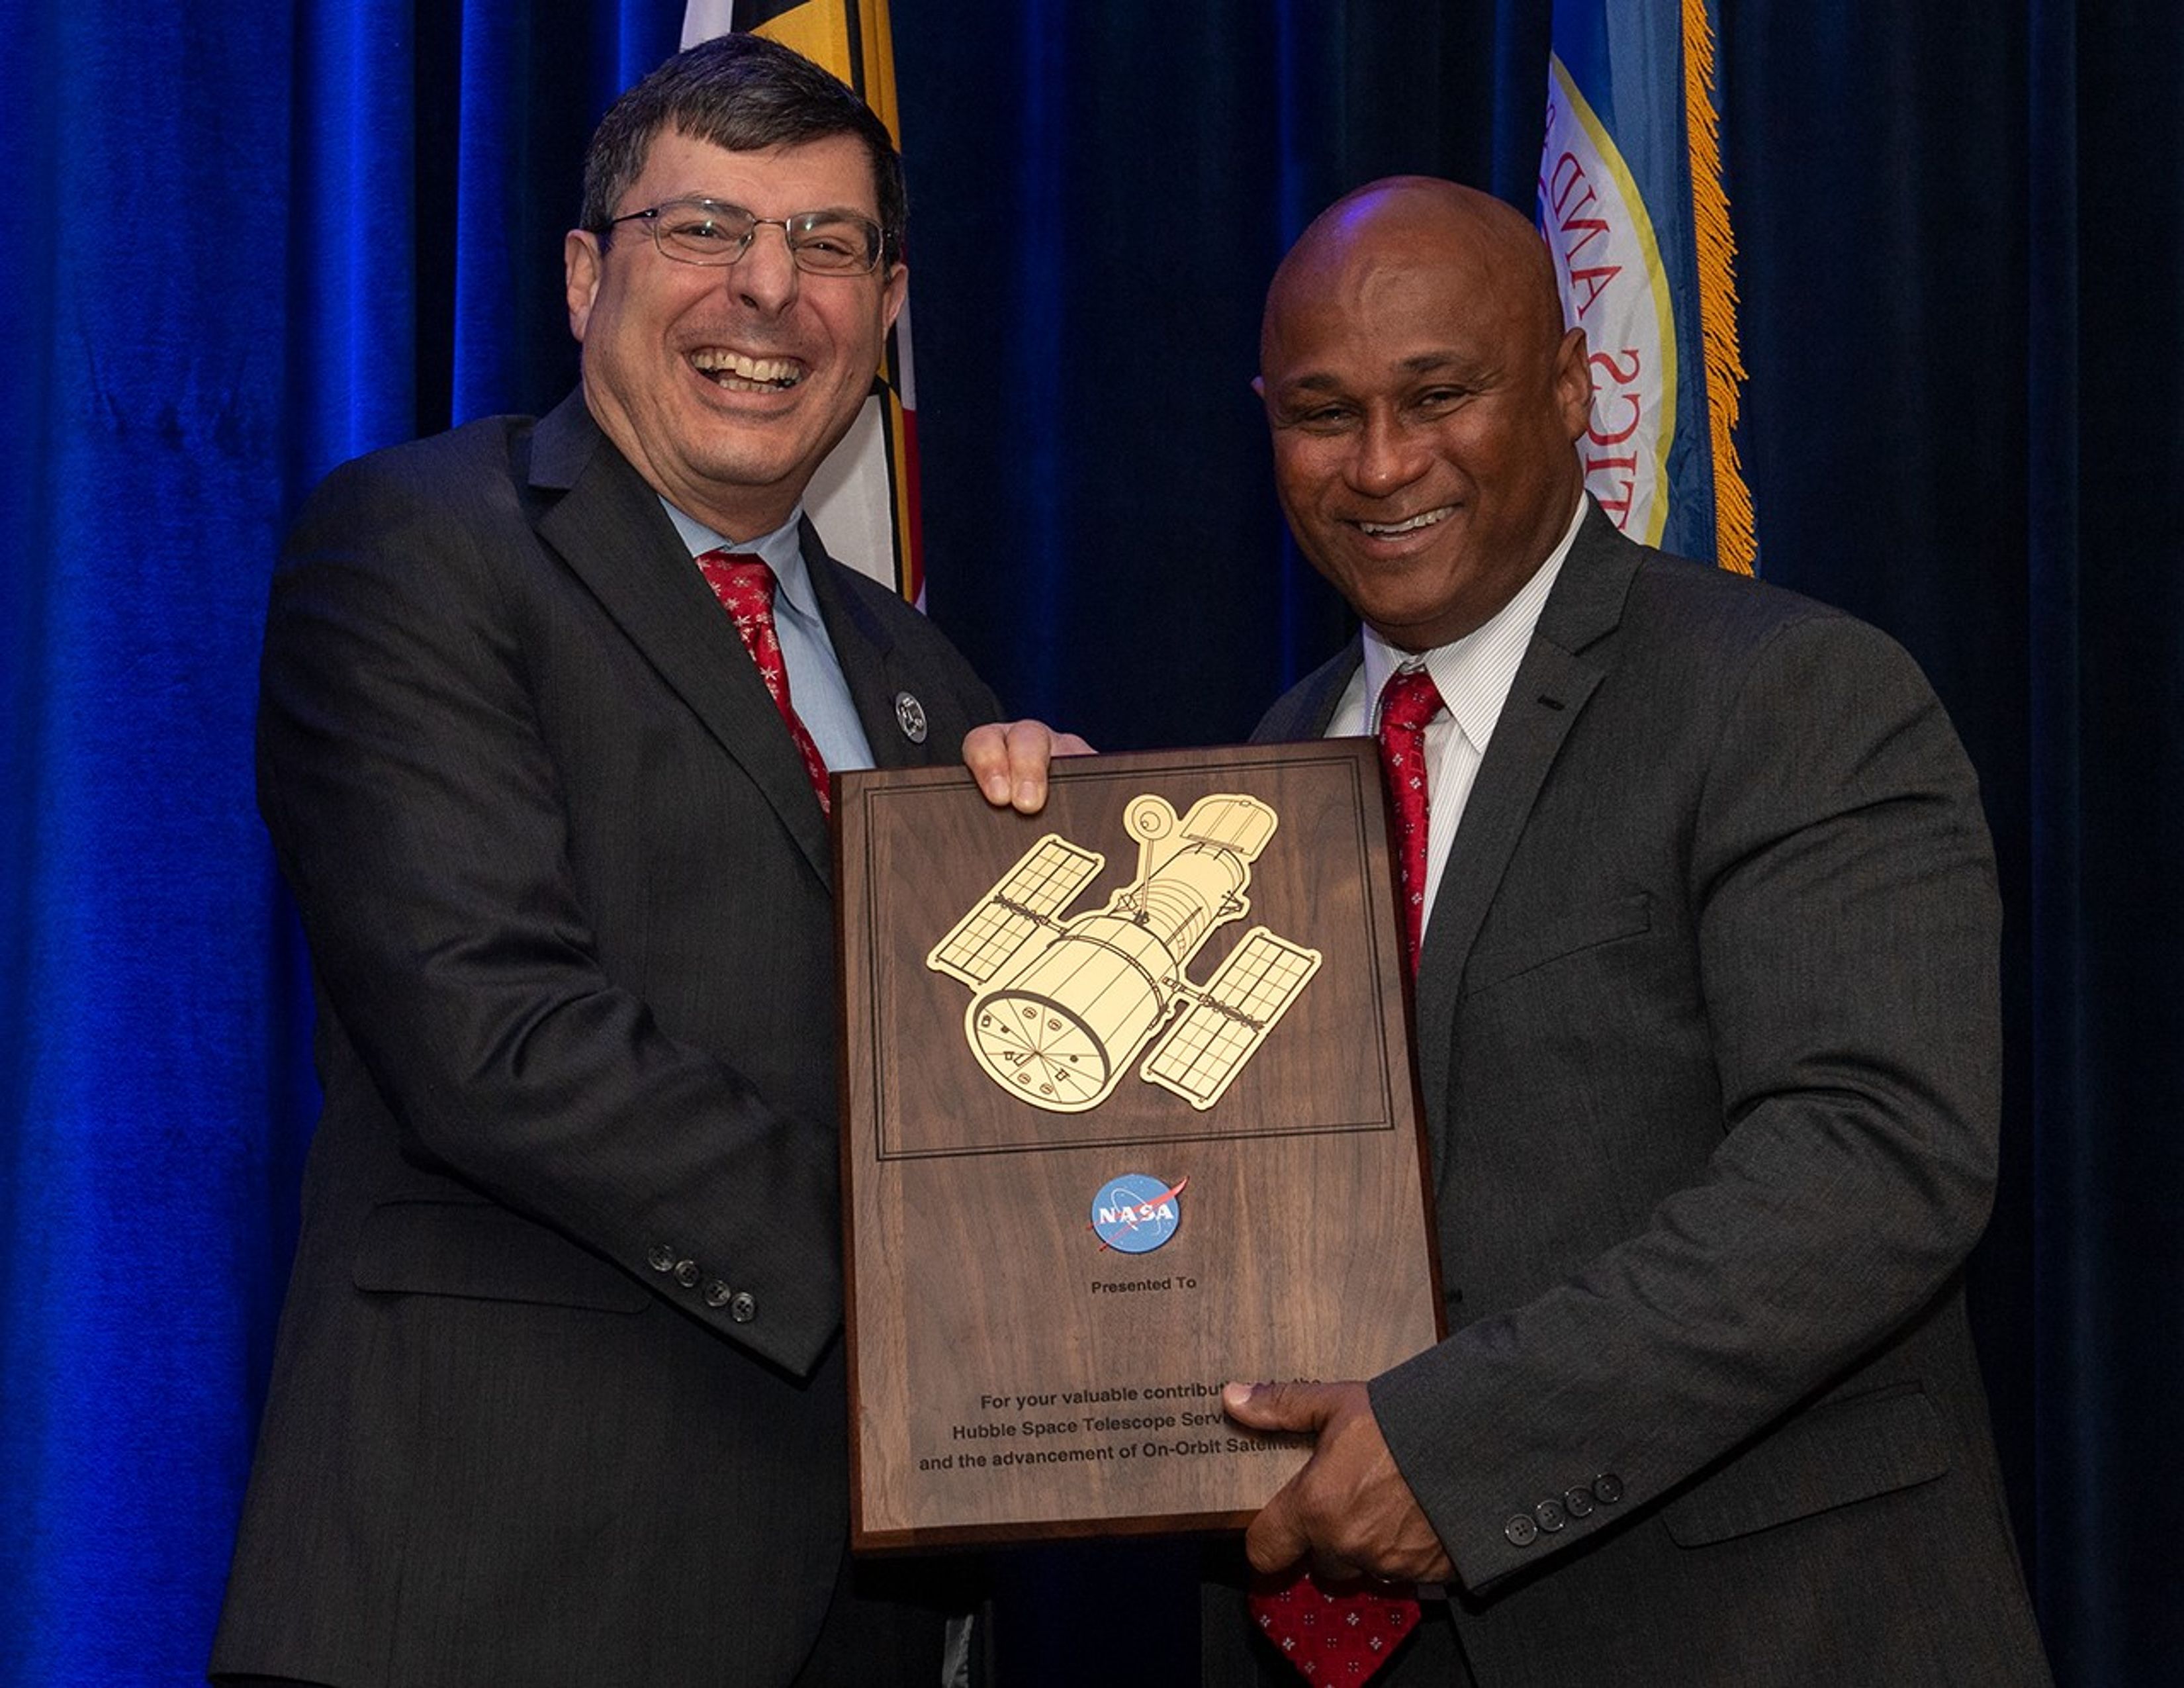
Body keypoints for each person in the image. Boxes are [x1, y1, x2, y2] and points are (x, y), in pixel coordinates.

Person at [211, 34, 1073, 1688]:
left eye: (830, 247)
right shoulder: (422, 549)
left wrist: (1074, 883)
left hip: (866, 1609)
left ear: (889, 315)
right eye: (706, 233)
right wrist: (952, 1270)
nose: (769, 293)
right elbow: (496, 1038)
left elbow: (981, 1070)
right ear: (586, 274)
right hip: (501, 1586)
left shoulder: (927, 681)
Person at [1203, 177, 2052, 1685]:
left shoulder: (1785, 694)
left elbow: (1875, 1159)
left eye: (1440, 394)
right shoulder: (1271, 767)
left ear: (1574, 388)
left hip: (1757, 1634)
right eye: (1323, 413)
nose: (1383, 463)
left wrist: (1459, 1449)